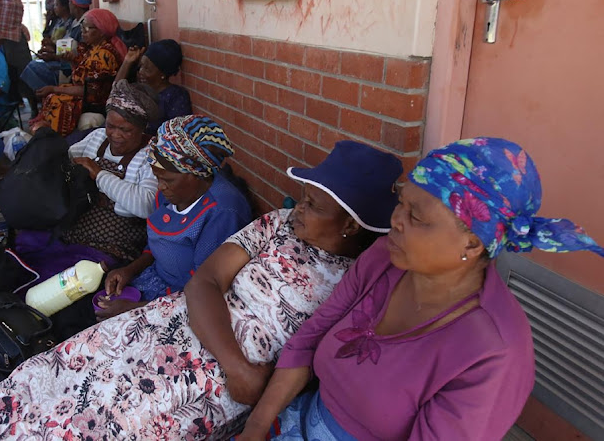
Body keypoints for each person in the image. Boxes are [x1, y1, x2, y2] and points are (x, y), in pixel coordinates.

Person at [0, 140, 404, 440]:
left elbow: (315, 355)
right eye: (302, 197)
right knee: (53, 371)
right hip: (180, 325)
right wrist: (234, 361)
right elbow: (206, 281)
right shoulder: (277, 226)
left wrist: (244, 381)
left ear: (349, 223)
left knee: (94, 424)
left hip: (206, 382)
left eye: (313, 204)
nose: (297, 208)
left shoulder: (361, 280)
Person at [239, 138, 604, 441]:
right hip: (297, 420)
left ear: (473, 243)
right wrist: (255, 428)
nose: (395, 220)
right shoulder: (384, 259)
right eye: (401, 202)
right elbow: (311, 336)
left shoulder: (492, 352)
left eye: (416, 216)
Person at [94, 114, 252, 319]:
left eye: (166, 179)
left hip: (183, 305)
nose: (160, 187)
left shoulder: (222, 213)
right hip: (152, 282)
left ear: (197, 173)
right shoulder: (173, 193)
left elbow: (204, 289)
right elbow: (157, 245)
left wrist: (136, 310)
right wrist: (129, 270)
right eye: (157, 177)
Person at [62, 79, 161, 265]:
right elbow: (66, 158)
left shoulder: (152, 153)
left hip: (114, 250)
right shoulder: (98, 137)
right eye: (110, 126)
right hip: (74, 235)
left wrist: (99, 174)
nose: (115, 134)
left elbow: (147, 205)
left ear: (142, 128)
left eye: (125, 129)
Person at [29, 8, 126, 136]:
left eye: (87, 28)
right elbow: (82, 76)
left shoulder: (103, 55)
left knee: (56, 99)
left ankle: (54, 138)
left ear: (101, 32)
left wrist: (54, 88)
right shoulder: (93, 49)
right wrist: (72, 62)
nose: (83, 32)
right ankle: (44, 132)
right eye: (82, 27)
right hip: (86, 94)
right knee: (52, 96)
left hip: (95, 100)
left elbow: (87, 89)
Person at [115, 39, 192, 134]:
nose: (140, 72)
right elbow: (115, 95)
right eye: (141, 66)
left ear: (162, 73)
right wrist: (127, 62)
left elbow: (177, 133)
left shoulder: (176, 96)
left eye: (147, 69)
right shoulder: (138, 89)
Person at [20, 0, 75, 92]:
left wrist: (52, 54)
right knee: (30, 63)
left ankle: (45, 93)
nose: (54, 8)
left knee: (31, 68)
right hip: (55, 56)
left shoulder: (71, 24)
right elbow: (50, 39)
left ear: (64, 6)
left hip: (63, 62)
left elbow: (65, 49)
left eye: (56, 5)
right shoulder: (58, 22)